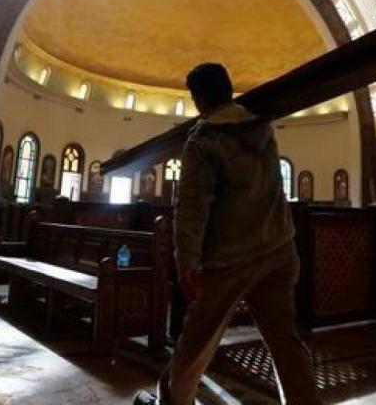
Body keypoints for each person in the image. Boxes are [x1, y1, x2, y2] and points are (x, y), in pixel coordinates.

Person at [134, 64, 321, 405]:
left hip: (229, 261)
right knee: (285, 342)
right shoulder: (262, 129)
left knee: (194, 346)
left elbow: (191, 207)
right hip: (279, 251)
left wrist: (186, 259)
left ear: (199, 100)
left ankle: (172, 402)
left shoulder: (203, 142)